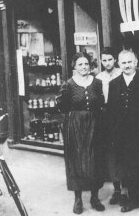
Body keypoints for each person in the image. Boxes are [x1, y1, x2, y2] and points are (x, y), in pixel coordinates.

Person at [106, 50, 139, 214]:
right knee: (128, 169)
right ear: (119, 64)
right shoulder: (114, 83)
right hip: (124, 135)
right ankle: (134, 200)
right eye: (123, 63)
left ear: (136, 62)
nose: (127, 65)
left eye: (130, 62)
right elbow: (111, 111)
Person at [56, 52, 105, 215]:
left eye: (86, 64)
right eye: (80, 64)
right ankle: (78, 199)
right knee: (77, 161)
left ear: (90, 66)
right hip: (75, 126)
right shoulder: (68, 85)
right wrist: (72, 121)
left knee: (95, 159)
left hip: (95, 125)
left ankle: (95, 197)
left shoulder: (97, 83)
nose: (84, 67)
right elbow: (61, 106)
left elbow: (101, 103)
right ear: (74, 67)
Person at [96, 47, 126, 206]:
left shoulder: (122, 73)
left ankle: (126, 189)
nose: (107, 63)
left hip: (121, 115)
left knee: (123, 152)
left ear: (115, 59)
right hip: (106, 116)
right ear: (101, 61)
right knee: (111, 154)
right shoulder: (99, 77)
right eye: (104, 60)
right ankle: (117, 190)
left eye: (110, 59)